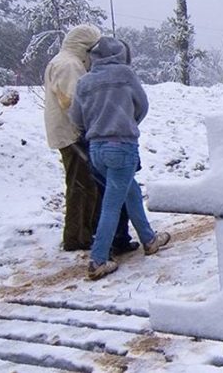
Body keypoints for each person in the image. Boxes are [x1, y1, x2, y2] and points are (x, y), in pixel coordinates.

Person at [70, 36, 171, 280]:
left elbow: (75, 117)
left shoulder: (85, 82)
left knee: (130, 191)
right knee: (112, 204)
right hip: (121, 147)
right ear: (119, 54)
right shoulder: (125, 75)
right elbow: (142, 105)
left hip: (96, 149)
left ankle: (149, 240)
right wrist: (126, 122)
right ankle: (98, 260)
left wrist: (97, 126)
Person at [43, 25, 136, 254]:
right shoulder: (70, 65)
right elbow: (75, 102)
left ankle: (89, 232)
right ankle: (77, 237)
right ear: (85, 47)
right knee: (80, 186)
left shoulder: (66, 61)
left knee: (88, 184)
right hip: (72, 134)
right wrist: (95, 125)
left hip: (70, 131)